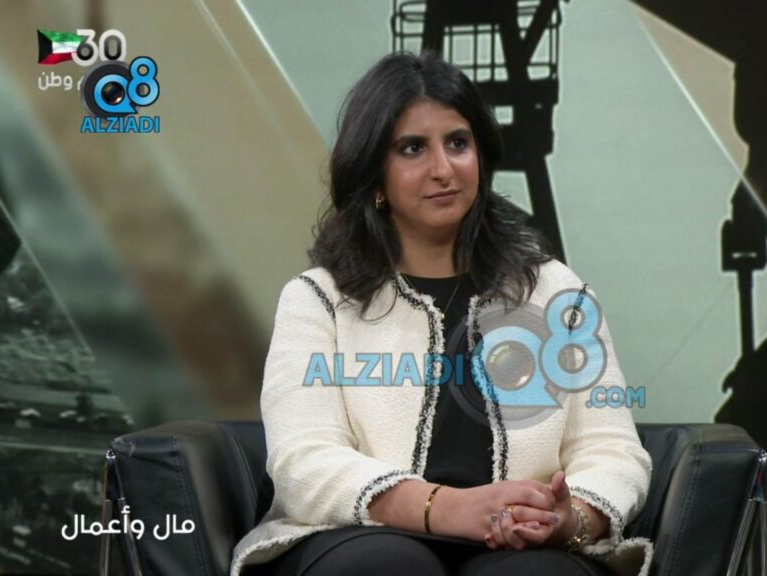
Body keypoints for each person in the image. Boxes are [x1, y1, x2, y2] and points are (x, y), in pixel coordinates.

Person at [231, 51, 653, 576]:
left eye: (458, 143)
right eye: (413, 148)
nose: (443, 169)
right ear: (374, 175)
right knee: (388, 565)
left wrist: (570, 520)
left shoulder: (557, 294)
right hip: (359, 537)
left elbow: (613, 451)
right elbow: (304, 460)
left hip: (522, 550)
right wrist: (445, 508)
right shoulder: (318, 299)